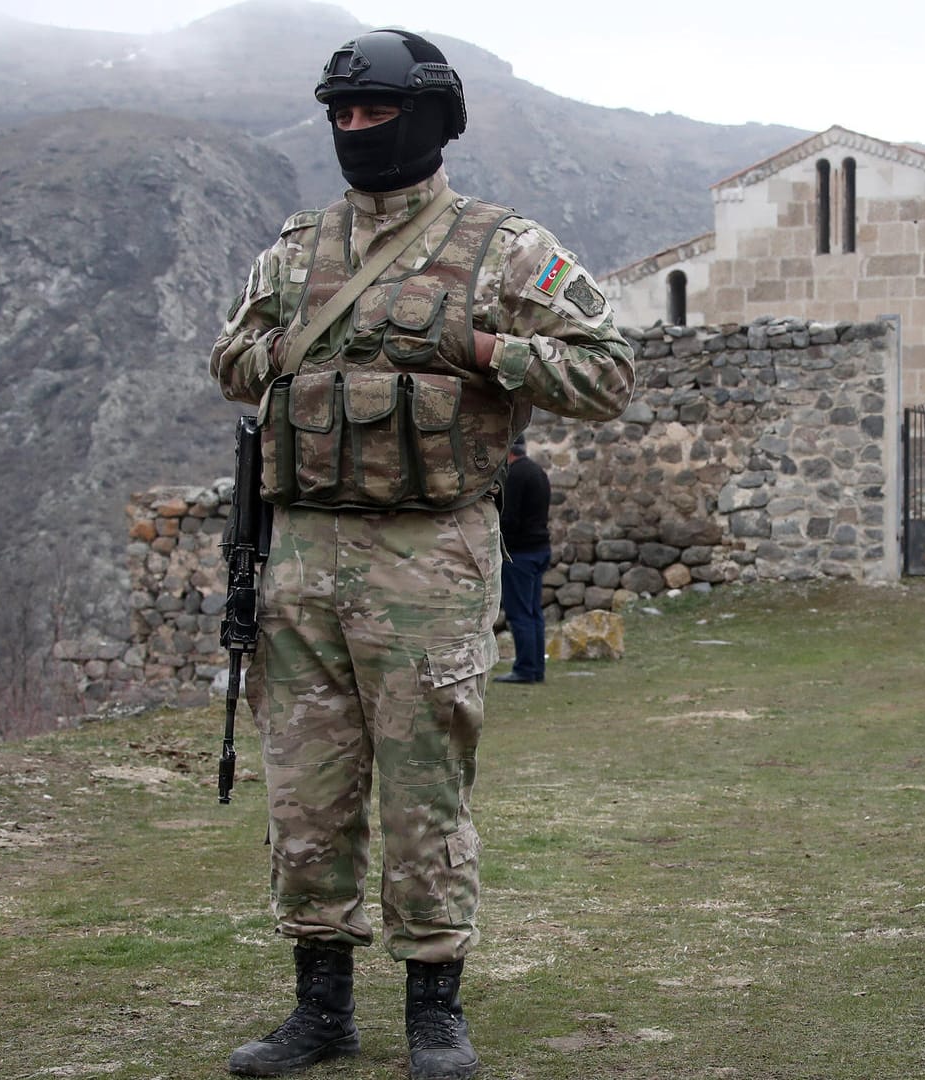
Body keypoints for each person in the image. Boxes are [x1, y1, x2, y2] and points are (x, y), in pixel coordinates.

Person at [208, 27, 634, 1080]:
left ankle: (435, 1009)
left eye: (375, 111)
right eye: (342, 114)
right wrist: (287, 358)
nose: (357, 128)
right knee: (307, 795)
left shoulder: (504, 249)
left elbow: (610, 371)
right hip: (299, 559)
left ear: (430, 117)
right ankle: (321, 1010)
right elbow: (229, 357)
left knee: (425, 792)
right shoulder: (295, 251)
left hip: (429, 561)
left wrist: (482, 348)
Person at [495, 437, 550, 684]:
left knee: (520, 614)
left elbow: (510, 518)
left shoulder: (515, 476)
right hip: (539, 549)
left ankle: (526, 668)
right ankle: (536, 667)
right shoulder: (537, 471)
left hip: (520, 553)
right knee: (534, 612)